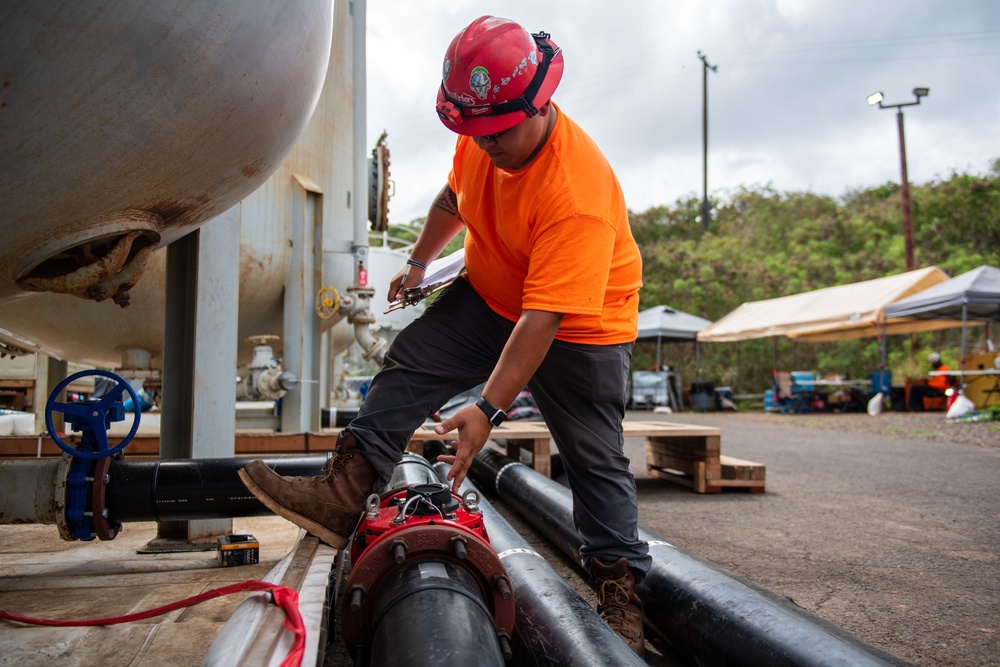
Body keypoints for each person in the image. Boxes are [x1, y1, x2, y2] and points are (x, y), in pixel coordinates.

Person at [238, 16, 649, 654]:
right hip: (494, 291)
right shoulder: (482, 131)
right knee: (412, 360)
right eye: (473, 131)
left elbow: (542, 321)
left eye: (498, 132)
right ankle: (343, 492)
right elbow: (454, 198)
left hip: (582, 325)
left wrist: (487, 408)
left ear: (538, 104)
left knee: (594, 458)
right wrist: (420, 261)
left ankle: (620, 586)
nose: (485, 145)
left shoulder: (577, 194)